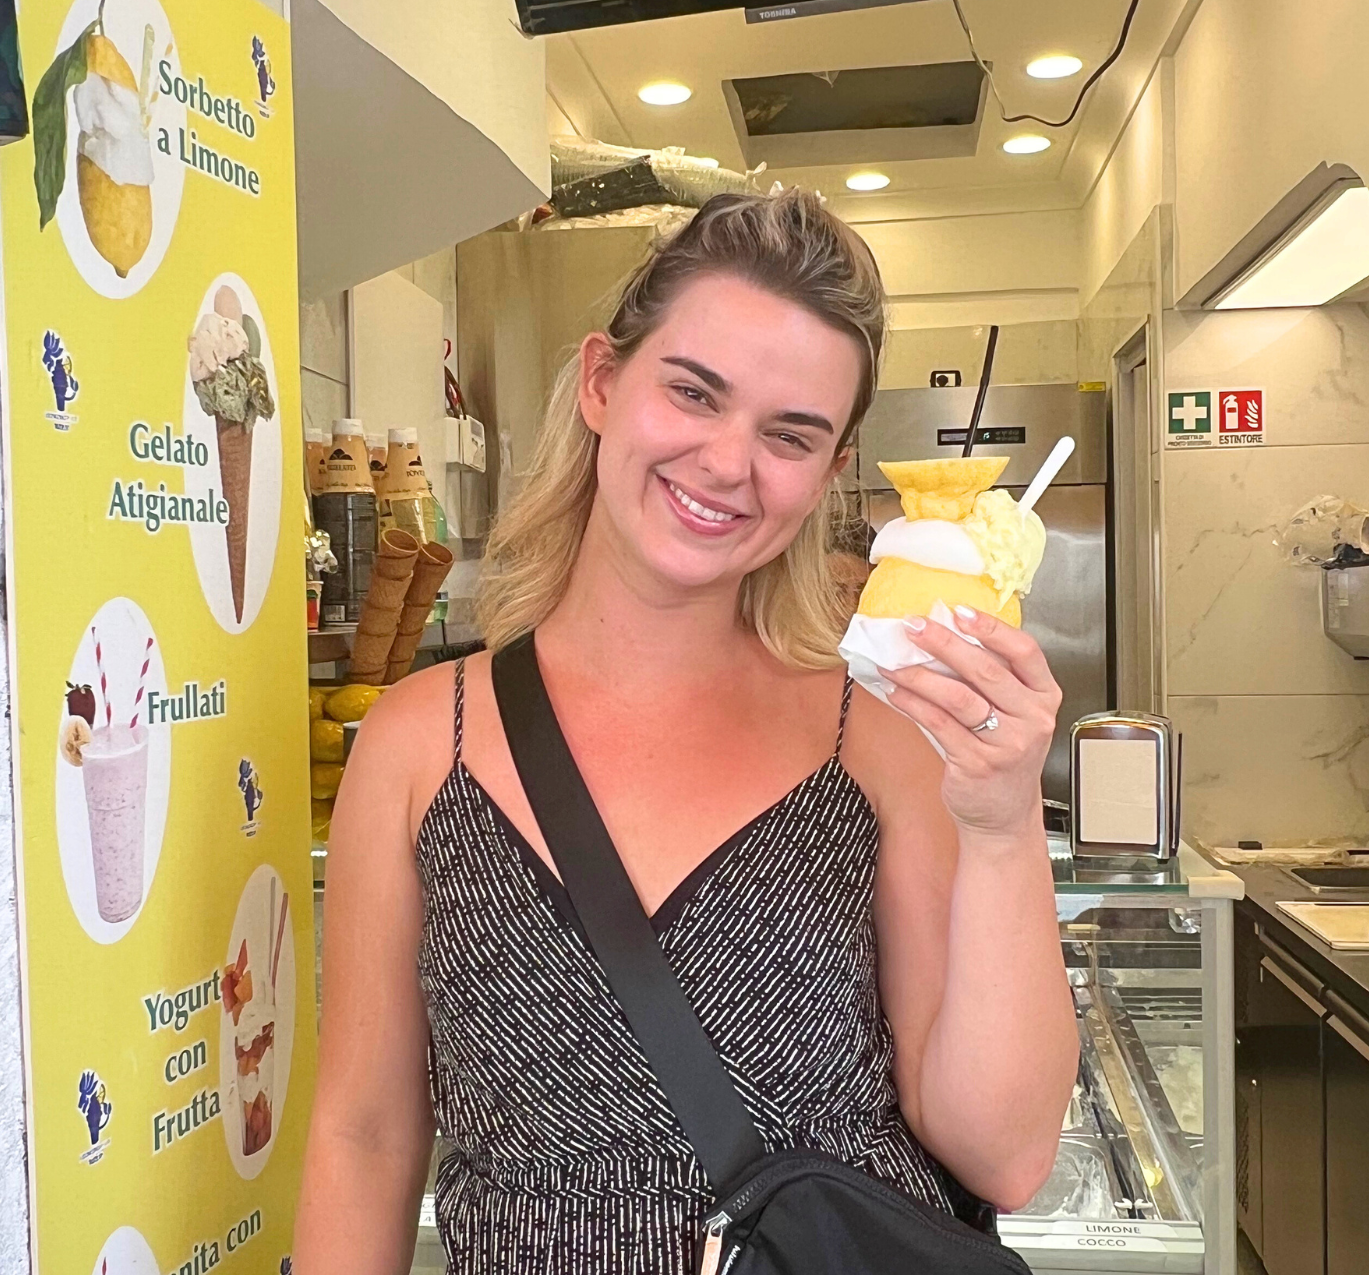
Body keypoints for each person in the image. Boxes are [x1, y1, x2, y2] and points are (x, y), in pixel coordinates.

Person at [296, 190, 1078, 1273]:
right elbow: (365, 1133)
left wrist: (1002, 826)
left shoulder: (879, 750)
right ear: (604, 383)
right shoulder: (425, 743)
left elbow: (1005, 1154)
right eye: (694, 393)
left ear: (828, 470)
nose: (725, 463)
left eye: (789, 435)